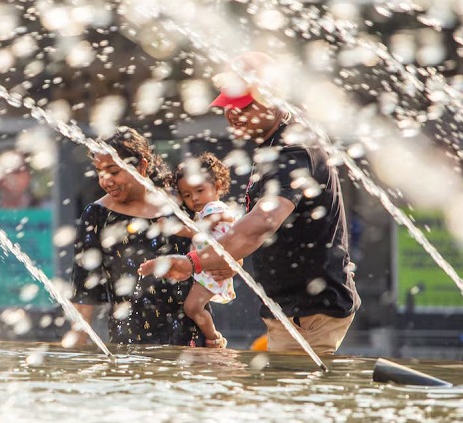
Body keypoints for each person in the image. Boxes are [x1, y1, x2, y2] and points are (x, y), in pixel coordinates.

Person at [139, 52, 360, 354]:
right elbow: (258, 230)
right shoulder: (271, 146)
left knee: (291, 396)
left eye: (242, 105)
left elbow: (261, 225)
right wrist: (228, 257)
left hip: (311, 313)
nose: (232, 114)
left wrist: (194, 263)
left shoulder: (293, 152)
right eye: (227, 106)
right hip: (291, 308)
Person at [67, 127, 209, 347]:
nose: (106, 181)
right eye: (99, 172)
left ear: (142, 166)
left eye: (114, 172)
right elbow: (85, 285)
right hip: (130, 340)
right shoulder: (96, 215)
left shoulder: (179, 206)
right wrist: (78, 338)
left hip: (191, 337)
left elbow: (215, 252)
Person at [174, 153, 237, 349]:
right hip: (207, 267)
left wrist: (171, 228)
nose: (194, 198)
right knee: (193, 306)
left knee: (192, 307)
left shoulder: (214, 208)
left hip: (212, 268)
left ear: (217, 186)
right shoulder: (206, 211)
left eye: (199, 190)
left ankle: (214, 338)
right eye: (186, 195)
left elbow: (199, 231)